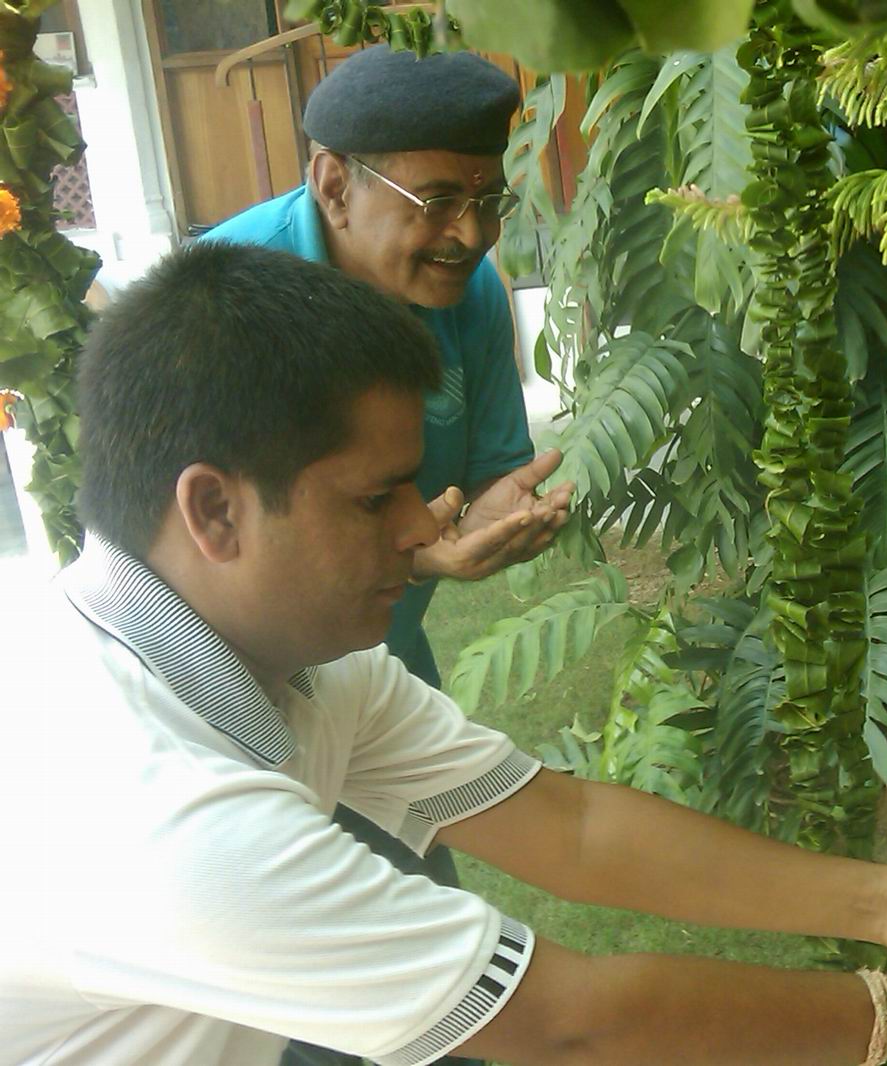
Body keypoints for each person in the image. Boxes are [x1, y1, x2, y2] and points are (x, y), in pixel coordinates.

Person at [0, 242, 887, 1066]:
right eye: (373, 497)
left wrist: (885, 898)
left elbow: (568, 825)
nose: (422, 526)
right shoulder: (158, 814)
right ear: (214, 514)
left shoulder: (293, 665)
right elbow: (566, 1023)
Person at [203, 51, 571, 1051]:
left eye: (489, 200)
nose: (471, 234)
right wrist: (416, 557)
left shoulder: (472, 291)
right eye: (440, 199)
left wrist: (494, 516)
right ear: (332, 183)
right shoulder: (224, 305)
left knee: (417, 938)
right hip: (229, 699)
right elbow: (209, 567)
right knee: (292, 989)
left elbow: (490, 469)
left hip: (372, 662)